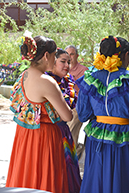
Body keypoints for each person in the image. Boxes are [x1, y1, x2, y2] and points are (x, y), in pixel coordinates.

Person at [76, 36, 129, 193]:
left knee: (96, 180)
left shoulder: (90, 79)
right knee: (123, 182)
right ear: (126, 55)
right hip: (123, 139)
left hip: (96, 138)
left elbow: (83, 115)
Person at [6, 35, 73, 193]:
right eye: (55, 55)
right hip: (45, 138)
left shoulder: (24, 75)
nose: (55, 59)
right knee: (45, 179)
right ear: (46, 56)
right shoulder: (46, 81)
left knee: (26, 177)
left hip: (25, 136)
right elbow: (67, 116)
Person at [45, 48, 82, 193]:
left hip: (64, 130)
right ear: (53, 62)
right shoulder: (46, 81)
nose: (67, 65)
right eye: (63, 61)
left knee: (68, 170)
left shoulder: (68, 80)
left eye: (69, 62)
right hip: (50, 133)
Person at [65, 45, 88, 153]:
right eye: (67, 54)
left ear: (77, 56)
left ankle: (71, 157)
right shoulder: (61, 68)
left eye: (72, 54)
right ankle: (76, 151)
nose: (70, 57)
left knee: (70, 134)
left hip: (77, 107)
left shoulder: (84, 71)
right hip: (63, 105)